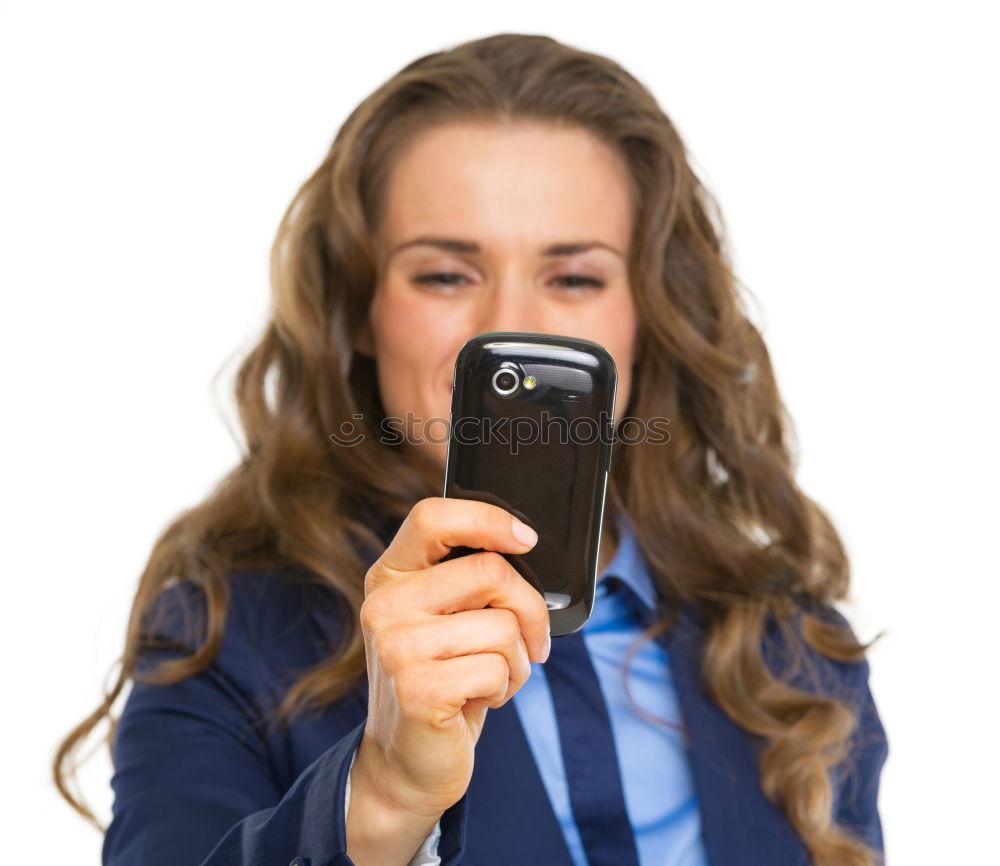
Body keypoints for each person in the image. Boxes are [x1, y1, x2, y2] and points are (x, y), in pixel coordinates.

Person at [54, 32, 888, 866]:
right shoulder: (222, 635)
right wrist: (382, 801)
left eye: (574, 278)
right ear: (359, 313)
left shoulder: (788, 650)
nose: (507, 328)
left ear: (650, 315)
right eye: (447, 274)